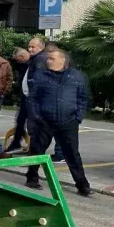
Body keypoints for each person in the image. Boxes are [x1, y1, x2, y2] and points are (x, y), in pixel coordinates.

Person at [25, 48, 91, 196]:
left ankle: (82, 185)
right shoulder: (41, 76)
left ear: (62, 60)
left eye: (52, 59)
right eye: (48, 59)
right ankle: (32, 178)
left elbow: (82, 98)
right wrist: (37, 117)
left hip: (68, 122)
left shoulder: (76, 77)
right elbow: (33, 98)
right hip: (44, 121)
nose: (48, 61)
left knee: (72, 154)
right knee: (37, 151)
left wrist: (78, 117)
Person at [8, 47, 31, 151]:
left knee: (31, 123)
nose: (17, 62)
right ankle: (17, 142)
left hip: (31, 98)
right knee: (20, 120)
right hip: (25, 97)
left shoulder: (33, 64)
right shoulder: (23, 65)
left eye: (17, 59)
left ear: (22, 57)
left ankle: (31, 146)